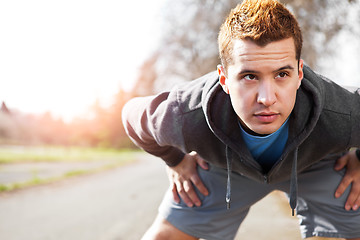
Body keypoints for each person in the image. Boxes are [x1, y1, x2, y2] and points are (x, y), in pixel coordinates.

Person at [122, 0, 360, 239]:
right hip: (225, 169)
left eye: (282, 74)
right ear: (224, 79)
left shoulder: (341, 111)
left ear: (299, 74)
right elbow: (131, 115)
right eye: (249, 76)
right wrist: (174, 160)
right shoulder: (183, 114)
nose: (267, 98)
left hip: (315, 167)